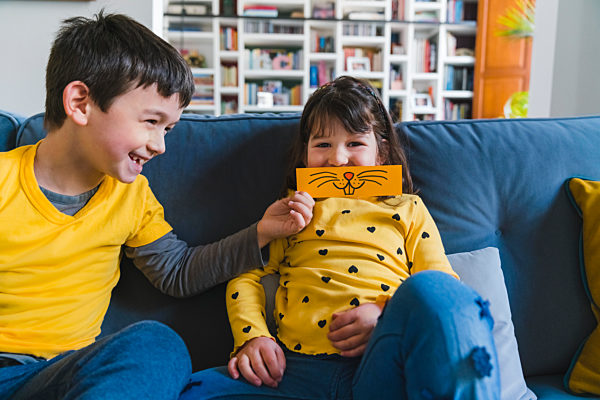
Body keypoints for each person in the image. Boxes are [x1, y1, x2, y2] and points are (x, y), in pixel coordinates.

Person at [0, 11, 314, 400]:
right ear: (80, 103)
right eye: (151, 121)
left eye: (168, 129)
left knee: (157, 344)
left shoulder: (131, 196)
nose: (160, 145)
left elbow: (178, 272)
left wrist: (262, 233)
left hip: (70, 373)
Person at [183, 76, 501, 399]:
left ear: (382, 153)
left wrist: (385, 314)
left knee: (437, 290)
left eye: (355, 144)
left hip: (380, 363)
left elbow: (438, 283)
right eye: (322, 145)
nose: (337, 159)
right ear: (305, 156)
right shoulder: (292, 211)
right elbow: (247, 277)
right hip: (295, 371)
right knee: (196, 389)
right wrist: (253, 338)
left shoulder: (407, 208)